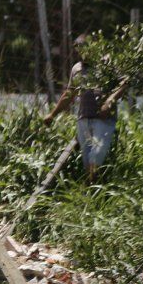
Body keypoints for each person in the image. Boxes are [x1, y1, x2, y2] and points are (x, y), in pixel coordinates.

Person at [43, 35, 120, 182]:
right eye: (78, 51)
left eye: (84, 49)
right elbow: (70, 93)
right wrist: (52, 115)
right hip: (83, 119)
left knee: (96, 155)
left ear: (93, 48)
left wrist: (110, 100)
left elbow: (123, 84)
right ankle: (92, 192)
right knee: (87, 159)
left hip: (103, 120)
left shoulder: (107, 63)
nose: (81, 54)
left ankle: (94, 189)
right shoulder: (77, 68)